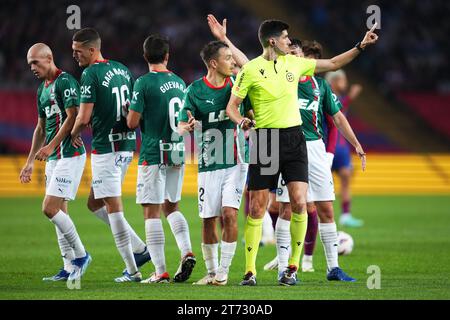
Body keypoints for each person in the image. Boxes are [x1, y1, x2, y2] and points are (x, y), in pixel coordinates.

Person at [224, 19, 377, 286]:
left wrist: (360, 46)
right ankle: (249, 271)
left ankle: (291, 269)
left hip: (295, 139)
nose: (289, 41)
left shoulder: (295, 63)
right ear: (272, 41)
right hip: (265, 140)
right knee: (258, 206)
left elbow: (333, 64)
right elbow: (232, 108)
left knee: (299, 202)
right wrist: (242, 122)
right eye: (285, 37)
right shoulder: (250, 69)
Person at [273, 40, 366, 283]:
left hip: (315, 149)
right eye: (289, 54)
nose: (294, 58)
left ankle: (333, 268)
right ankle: (284, 267)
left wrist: (356, 144)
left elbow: (337, 117)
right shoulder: (280, 82)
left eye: (297, 54)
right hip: (289, 147)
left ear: (305, 59)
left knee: (325, 208)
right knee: (286, 208)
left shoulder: (321, 86)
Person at [70, 27, 148, 282]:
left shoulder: (90, 74)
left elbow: (83, 116)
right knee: (94, 203)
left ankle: (132, 270)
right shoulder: (123, 69)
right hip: (126, 145)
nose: (75, 56)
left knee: (114, 208)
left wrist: (71, 134)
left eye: (78, 51)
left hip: (106, 149)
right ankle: (139, 249)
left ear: (92, 50)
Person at [178, 40, 249, 286]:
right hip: (209, 163)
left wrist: (248, 119)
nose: (233, 62)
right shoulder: (194, 91)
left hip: (236, 161)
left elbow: (250, 112)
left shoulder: (237, 86)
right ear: (213, 63)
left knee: (229, 214)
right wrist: (185, 127)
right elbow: (180, 123)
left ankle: (224, 271)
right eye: (228, 58)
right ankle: (210, 272)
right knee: (208, 219)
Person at [127, 34, 196, 284]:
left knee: (151, 211)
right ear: (167, 56)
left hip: (153, 151)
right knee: (172, 206)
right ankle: (186, 250)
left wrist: (130, 112)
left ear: (145, 57)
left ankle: (160, 271)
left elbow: (132, 122)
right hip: (177, 148)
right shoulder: (179, 82)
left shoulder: (143, 83)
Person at [20, 43, 91, 282]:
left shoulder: (66, 82)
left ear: (49, 58)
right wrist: (30, 161)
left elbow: (73, 116)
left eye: (35, 62)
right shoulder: (42, 90)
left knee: (49, 208)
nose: (32, 68)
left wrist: (51, 146)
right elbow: (40, 127)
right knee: (59, 212)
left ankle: (81, 255)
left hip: (69, 155)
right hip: (53, 157)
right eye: (30, 63)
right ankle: (69, 267)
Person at [325, 70, 364, 227]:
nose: (345, 83)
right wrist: (351, 97)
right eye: (342, 80)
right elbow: (339, 109)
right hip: (326, 146)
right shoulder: (324, 96)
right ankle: (324, 215)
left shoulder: (340, 98)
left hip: (341, 147)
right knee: (323, 184)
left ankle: (346, 215)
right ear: (333, 82)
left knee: (346, 177)